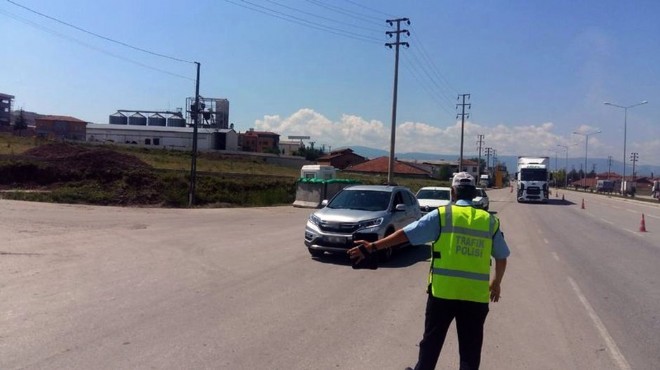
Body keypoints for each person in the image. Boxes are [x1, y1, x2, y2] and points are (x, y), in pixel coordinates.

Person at [348, 172, 510, 370]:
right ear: (474, 193)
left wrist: (372, 247)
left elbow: (405, 235)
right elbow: (501, 257)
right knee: (470, 351)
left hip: (442, 294)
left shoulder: (442, 216)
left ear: (453, 192)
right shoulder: (489, 222)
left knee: (431, 345)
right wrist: (496, 283)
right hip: (475, 298)